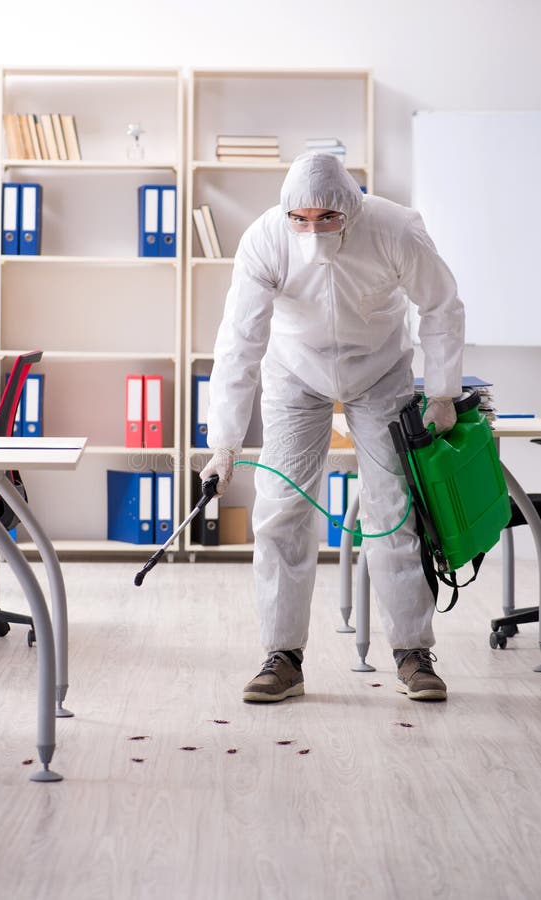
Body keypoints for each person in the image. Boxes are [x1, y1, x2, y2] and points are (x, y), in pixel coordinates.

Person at [200, 152, 464, 704]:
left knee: (392, 509)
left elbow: (441, 306)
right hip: (296, 372)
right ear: (286, 214)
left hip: (380, 370)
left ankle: (412, 652)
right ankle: (282, 657)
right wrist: (223, 442)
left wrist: (442, 392)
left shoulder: (395, 229)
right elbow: (239, 344)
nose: (314, 230)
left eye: (328, 218)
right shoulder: (265, 240)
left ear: (353, 208)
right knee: (280, 510)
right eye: (301, 219)